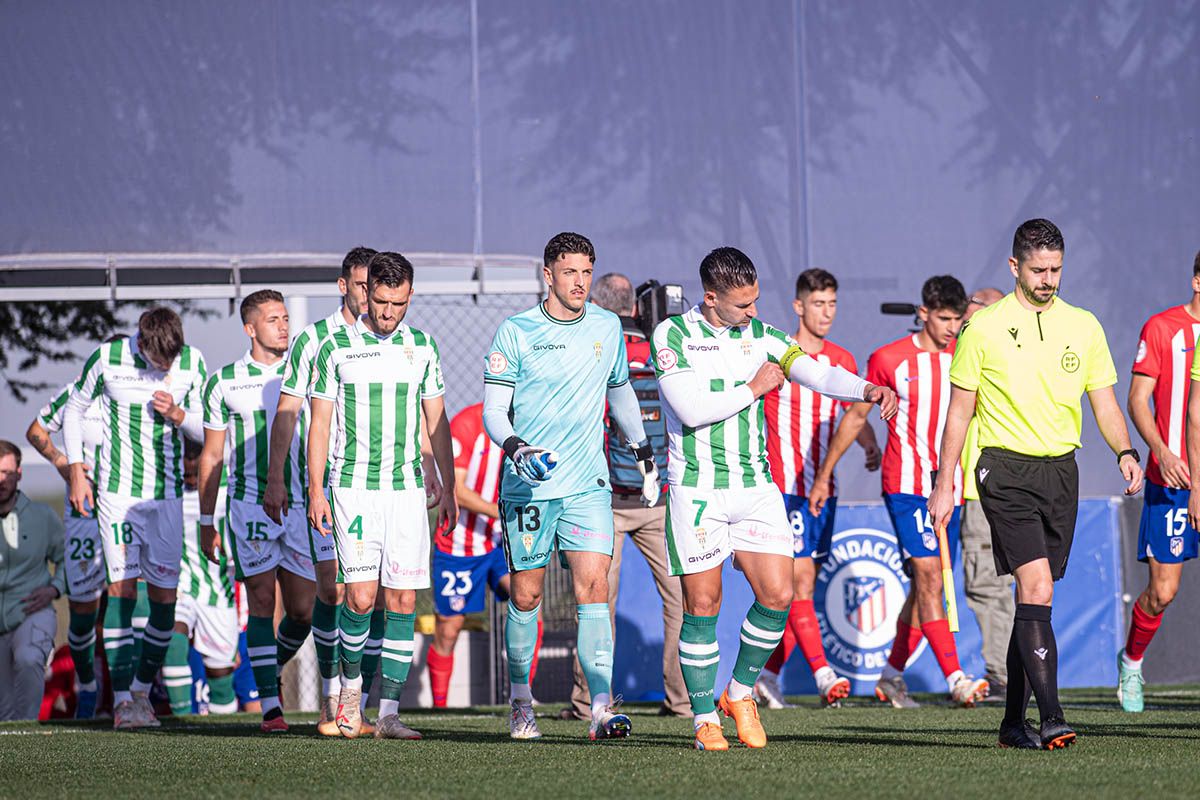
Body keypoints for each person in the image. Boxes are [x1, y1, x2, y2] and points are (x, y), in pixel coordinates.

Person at [652, 247, 896, 751]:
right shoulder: (672, 335)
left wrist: (865, 389)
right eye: (743, 305)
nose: (753, 313)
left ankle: (739, 694)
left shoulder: (759, 335)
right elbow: (690, 409)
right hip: (697, 489)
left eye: (756, 301)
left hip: (755, 487)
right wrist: (755, 386)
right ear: (711, 298)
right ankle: (703, 720)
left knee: (780, 595)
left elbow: (816, 371)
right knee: (703, 604)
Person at [929, 218, 1143, 751]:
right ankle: (1052, 718)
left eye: (1056, 269)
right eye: (1038, 270)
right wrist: (944, 482)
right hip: (1002, 469)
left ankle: (1009, 725)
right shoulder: (983, 328)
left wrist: (1125, 451)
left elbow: (1105, 403)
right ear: (1014, 267)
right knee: (1037, 587)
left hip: (1059, 472)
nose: (1048, 279)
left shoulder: (1084, 326)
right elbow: (958, 413)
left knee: (1035, 600)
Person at [482, 232, 657, 742]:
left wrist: (643, 452)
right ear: (548, 275)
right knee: (527, 594)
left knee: (595, 588)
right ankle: (520, 701)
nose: (579, 282)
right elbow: (494, 411)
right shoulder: (515, 331)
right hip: (529, 485)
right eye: (569, 272)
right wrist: (518, 448)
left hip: (588, 484)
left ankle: (601, 708)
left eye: (586, 272)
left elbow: (620, 391)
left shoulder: (606, 327)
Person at [812, 275, 989, 708]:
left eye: (957, 319)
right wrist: (824, 474)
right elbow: (856, 417)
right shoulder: (889, 358)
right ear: (924, 313)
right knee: (930, 575)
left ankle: (891, 675)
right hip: (907, 487)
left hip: (951, 486)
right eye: (943, 318)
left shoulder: (965, 356)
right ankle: (956, 678)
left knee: (922, 584)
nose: (951, 327)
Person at [307, 251, 457, 740]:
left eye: (398, 303)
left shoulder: (424, 347)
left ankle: (388, 713)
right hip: (353, 488)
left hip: (408, 490)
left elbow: (436, 420)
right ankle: (350, 699)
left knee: (402, 598)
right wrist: (315, 488)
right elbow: (320, 423)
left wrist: (448, 485)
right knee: (360, 596)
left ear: (410, 295)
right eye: (380, 301)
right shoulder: (335, 348)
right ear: (364, 292)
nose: (389, 312)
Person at [64, 307, 207, 729]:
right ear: (140, 343)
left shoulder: (192, 362)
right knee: (122, 590)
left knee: (165, 600)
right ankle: (123, 700)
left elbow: (207, 428)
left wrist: (179, 415)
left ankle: (142, 690)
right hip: (118, 495)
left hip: (167, 499)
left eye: (170, 361)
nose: (164, 368)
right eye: (157, 360)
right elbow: (74, 409)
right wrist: (76, 469)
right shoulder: (107, 359)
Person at [265, 246, 384, 735]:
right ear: (344, 286)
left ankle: (360, 701)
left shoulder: (392, 337)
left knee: (373, 595)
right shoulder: (315, 340)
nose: (369, 295)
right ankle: (331, 698)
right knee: (333, 589)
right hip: (330, 488)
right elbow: (289, 411)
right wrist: (277, 478)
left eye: (374, 286)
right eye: (361, 285)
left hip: (383, 487)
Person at [563, 272, 688, 720]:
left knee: (596, 603)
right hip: (659, 496)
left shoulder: (593, 348)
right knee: (681, 601)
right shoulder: (664, 348)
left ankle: (586, 702)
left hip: (604, 500)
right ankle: (682, 700)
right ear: (636, 308)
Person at [756, 268, 878, 709]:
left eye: (832, 304)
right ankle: (826, 675)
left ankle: (765, 676)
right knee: (800, 581)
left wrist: (868, 444)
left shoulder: (842, 360)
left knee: (794, 591)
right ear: (798, 306)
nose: (826, 313)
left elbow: (851, 412)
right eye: (818, 304)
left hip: (824, 489)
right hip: (784, 487)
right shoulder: (777, 356)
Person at [197, 290, 316, 732]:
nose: (283, 326)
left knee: (304, 609)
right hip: (249, 507)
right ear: (250, 328)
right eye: (272, 319)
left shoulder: (307, 371)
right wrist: (207, 521)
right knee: (263, 602)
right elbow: (211, 456)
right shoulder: (224, 381)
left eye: (285, 318)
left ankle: (262, 672)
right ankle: (270, 705)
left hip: (303, 505)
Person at [24, 338, 124, 718]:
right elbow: (36, 432)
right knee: (83, 611)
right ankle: (87, 685)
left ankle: (126, 693)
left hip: (126, 512)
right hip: (83, 514)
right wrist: (66, 466)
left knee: (127, 600)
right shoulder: (73, 394)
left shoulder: (144, 395)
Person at [1122, 251, 1200, 711]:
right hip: (1172, 479)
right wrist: (1163, 452)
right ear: (1196, 280)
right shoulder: (1163, 329)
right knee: (1163, 591)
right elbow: (1136, 400)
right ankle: (1132, 664)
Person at [426, 401, 543, 707]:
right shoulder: (468, 423)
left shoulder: (530, 421)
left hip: (498, 543)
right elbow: (457, 490)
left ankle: (523, 695)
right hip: (460, 546)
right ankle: (440, 707)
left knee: (530, 602)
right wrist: (497, 511)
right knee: (449, 629)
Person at [959, 287, 1013, 700]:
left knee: (990, 586)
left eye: (976, 315)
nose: (967, 323)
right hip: (1013, 483)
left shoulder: (983, 356)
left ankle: (1006, 676)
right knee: (1018, 585)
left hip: (985, 487)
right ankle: (1025, 670)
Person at [163, 439, 239, 718]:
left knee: (220, 672)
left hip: (218, 589)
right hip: (181, 585)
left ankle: (225, 731)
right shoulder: (172, 493)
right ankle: (182, 720)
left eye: (196, 474)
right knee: (172, 639)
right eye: (187, 476)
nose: (191, 480)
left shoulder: (227, 491)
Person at [0, 441, 64, 721]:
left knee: (28, 657)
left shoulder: (42, 516)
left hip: (31, 611)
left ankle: (28, 730)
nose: (0, 480)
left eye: (6, 472)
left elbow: (68, 560)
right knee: (4, 708)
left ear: (19, 474)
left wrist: (54, 588)